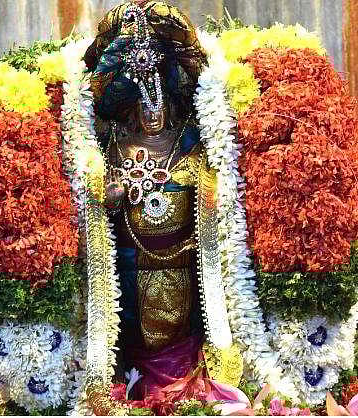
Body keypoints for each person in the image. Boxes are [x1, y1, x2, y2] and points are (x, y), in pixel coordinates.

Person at [82, 1, 242, 413]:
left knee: (187, 331)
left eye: (158, 104)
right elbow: (97, 205)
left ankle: (186, 394)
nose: (152, 114)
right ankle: (134, 392)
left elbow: (215, 202)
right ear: (132, 109)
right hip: (131, 270)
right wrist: (109, 198)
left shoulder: (193, 147)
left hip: (186, 268)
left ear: (170, 106)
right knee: (131, 333)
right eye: (144, 105)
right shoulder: (115, 148)